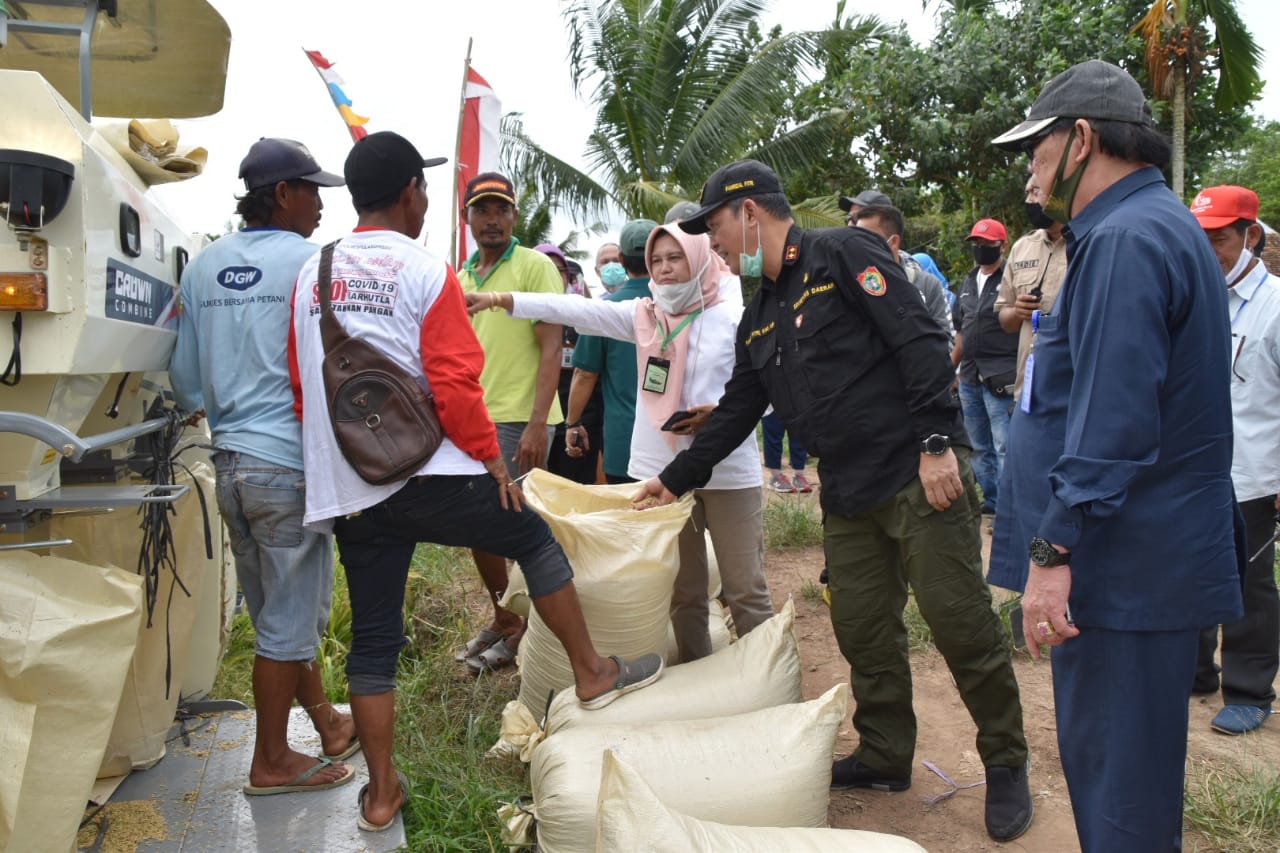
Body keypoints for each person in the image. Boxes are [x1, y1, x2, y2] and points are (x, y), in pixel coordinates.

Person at [632, 159, 1033, 842]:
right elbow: (737, 410)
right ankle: (884, 752)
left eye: (717, 228)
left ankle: (1005, 760)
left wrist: (938, 440)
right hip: (846, 489)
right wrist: (673, 480)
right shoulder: (757, 312)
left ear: (750, 213)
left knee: (957, 616)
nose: (716, 245)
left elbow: (919, 338)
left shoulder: (842, 252)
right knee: (863, 626)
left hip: (915, 469)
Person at [287, 130, 662, 833]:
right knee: (529, 531)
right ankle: (591, 671)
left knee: (372, 639)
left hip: (351, 485)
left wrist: (333, 471)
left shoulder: (315, 271)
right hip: (427, 474)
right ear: (409, 193)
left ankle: (379, 793)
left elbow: (305, 387)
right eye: (424, 189)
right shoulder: (427, 271)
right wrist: (494, 463)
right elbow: (456, 384)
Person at [990, 60, 1242, 849]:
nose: (1031, 175)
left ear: (1084, 139)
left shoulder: (1128, 239)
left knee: (1121, 792)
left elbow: (1113, 423)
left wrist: (1052, 546)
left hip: (1122, 568)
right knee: (1114, 777)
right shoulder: (1141, 228)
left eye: (1038, 150)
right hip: (1133, 561)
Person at [469, 221, 773, 663]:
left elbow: (767, 392)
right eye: (657, 261)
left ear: (700, 258)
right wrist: (499, 299)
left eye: (676, 258)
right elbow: (572, 309)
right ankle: (699, 676)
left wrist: (721, 414)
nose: (665, 269)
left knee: (745, 588)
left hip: (728, 471)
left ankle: (765, 682)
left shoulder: (732, 317)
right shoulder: (644, 316)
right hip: (661, 476)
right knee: (683, 591)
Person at [169, 138, 358, 796]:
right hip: (289, 468)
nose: (321, 206)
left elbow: (186, 383)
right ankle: (272, 760)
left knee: (281, 611)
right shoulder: (314, 264)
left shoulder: (202, 267)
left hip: (232, 469)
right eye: (313, 192)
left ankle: (328, 724)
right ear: (283, 194)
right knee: (286, 619)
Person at [455, 172, 565, 672]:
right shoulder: (460, 277)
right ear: (468, 219)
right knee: (480, 525)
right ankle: (506, 616)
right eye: (483, 210)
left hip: (523, 419)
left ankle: (530, 629)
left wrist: (540, 423)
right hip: (474, 421)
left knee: (520, 529)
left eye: (501, 209)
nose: (492, 219)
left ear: (514, 217)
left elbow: (552, 346)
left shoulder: (535, 266)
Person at [1189, 184, 1280, 736]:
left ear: (1250, 236)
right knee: (1188, 570)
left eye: (1217, 238)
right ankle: (1195, 672)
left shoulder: (1276, 308)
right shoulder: (1193, 300)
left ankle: (1248, 689)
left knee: (1249, 582)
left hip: (1252, 472)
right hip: (1195, 471)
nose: (1206, 250)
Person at [987, 178, 1067, 594]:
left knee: (1066, 500)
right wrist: (1017, 311)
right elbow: (1001, 316)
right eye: (1028, 193)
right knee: (1025, 498)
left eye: (1039, 192)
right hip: (1027, 394)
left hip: (1071, 400)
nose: (1031, 199)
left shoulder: (1088, 244)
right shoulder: (1022, 248)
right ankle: (1030, 593)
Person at [564, 221, 654, 484]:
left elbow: (584, 374)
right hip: (673, 442)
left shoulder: (603, 312)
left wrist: (572, 423)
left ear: (623, 260)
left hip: (624, 441)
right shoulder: (680, 307)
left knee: (627, 521)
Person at [951, 218, 1018, 516]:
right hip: (969, 376)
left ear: (1002, 245)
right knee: (978, 446)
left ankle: (1007, 507)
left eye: (987, 244)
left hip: (1001, 373)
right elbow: (961, 332)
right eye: (977, 244)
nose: (981, 249)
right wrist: (948, 371)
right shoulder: (967, 281)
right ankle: (991, 502)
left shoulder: (1011, 279)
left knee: (1004, 445)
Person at [536, 243, 604, 486]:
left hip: (578, 424)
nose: (554, 276)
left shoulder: (581, 318)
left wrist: (578, 423)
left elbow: (589, 375)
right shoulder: (524, 318)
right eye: (546, 269)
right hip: (537, 424)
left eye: (560, 270)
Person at [853, 202, 953, 340]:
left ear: (893, 241)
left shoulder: (926, 284)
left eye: (868, 239)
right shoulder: (852, 285)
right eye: (856, 239)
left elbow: (947, 341)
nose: (860, 246)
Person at [761, 409, 811, 493]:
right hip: (771, 403)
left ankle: (799, 475)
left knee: (799, 435)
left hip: (795, 401)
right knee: (773, 435)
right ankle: (775, 477)